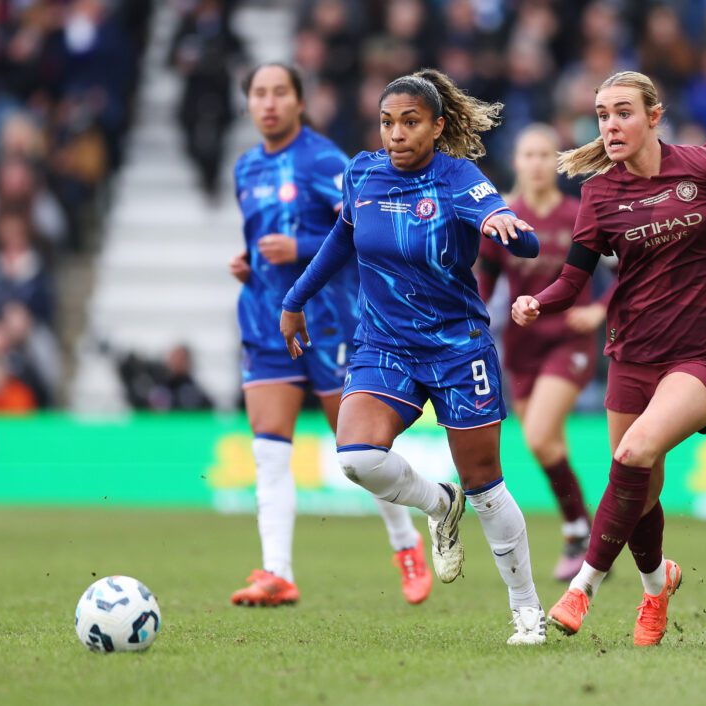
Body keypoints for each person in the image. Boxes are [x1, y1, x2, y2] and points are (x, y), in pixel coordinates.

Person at [511, 71, 706, 646]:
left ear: (653, 116)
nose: (610, 125)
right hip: (633, 352)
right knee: (639, 489)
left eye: (622, 112)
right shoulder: (598, 194)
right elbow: (573, 281)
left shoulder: (704, 165)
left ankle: (583, 588)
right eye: (601, 115)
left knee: (635, 450)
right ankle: (655, 587)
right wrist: (536, 303)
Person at [281, 69, 548, 645]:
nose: (396, 134)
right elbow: (342, 240)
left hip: (457, 346)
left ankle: (527, 609)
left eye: (409, 122)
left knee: (486, 485)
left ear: (437, 126)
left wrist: (506, 226)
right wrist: (295, 298)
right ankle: (438, 503)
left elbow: (524, 240)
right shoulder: (363, 174)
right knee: (356, 457)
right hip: (386, 344)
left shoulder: (457, 179)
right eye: (387, 123)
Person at [228, 63, 432, 608]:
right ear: (248, 103)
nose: (268, 103)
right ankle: (277, 572)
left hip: (328, 323)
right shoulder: (246, 167)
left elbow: (366, 229)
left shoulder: (324, 161)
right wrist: (250, 263)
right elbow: (261, 237)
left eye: (279, 93)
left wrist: (299, 251)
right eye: (259, 93)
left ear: (299, 101)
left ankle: (405, 541)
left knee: (358, 449)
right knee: (269, 450)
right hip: (265, 321)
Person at [477, 124, 610, 581]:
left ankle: (580, 533)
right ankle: (582, 532)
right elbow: (486, 280)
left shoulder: (579, 214)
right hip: (522, 345)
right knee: (548, 445)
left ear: (556, 162)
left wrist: (600, 313)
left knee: (537, 435)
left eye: (542, 155)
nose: (535, 163)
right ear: (516, 163)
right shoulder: (505, 218)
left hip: (569, 338)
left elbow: (628, 268)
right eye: (527, 155)